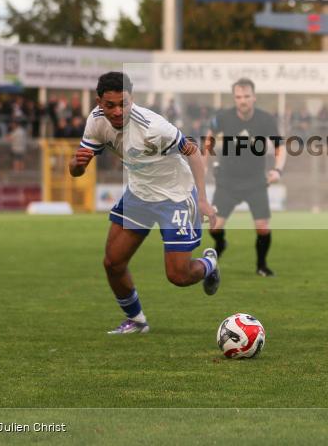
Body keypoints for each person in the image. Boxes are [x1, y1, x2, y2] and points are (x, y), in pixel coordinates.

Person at [69, 72, 219, 335]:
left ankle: (209, 264)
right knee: (112, 263)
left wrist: (203, 199)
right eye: (110, 105)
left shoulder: (154, 126)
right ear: (99, 102)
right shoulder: (95, 122)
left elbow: (194, 153)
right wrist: (75, 165)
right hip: (139, 195)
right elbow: (76, 170)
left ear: (132, 99)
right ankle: (137, 321)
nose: (117, 111)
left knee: (178, 276)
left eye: (123, 103)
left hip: (176, 196)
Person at [204, 78, 286, 277]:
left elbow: (280, 147)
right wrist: (206, 165)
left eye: (247, 96)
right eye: (239, 97)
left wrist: (277, 170)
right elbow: (209, 138)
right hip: (227, 181)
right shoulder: (223, 117)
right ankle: (221, 242)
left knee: (262, 227)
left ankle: (261, 265)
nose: (243, 100)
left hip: (256, 181)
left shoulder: (266, 119)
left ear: (254, 97)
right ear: (234, 98)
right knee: (214, 227)